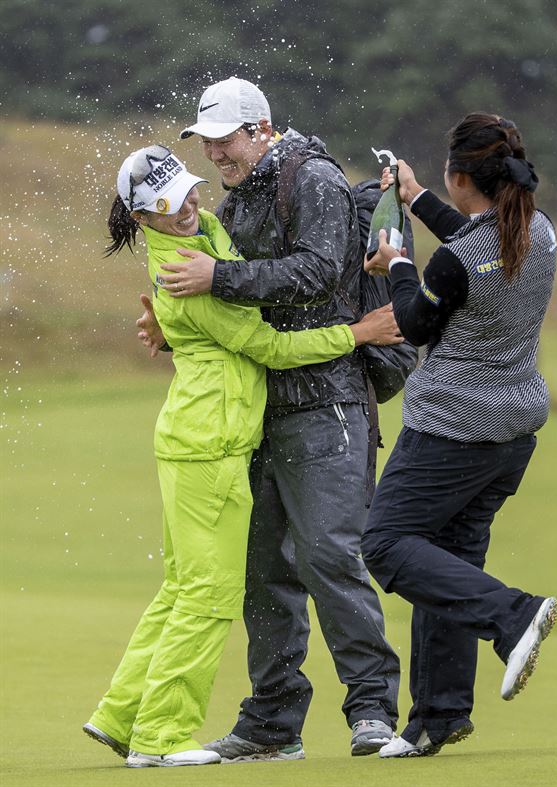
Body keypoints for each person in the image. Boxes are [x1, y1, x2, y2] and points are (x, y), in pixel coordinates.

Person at [83, 145, 402, 768]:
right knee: (209, 593)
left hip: (204, 438)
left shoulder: (204, 234)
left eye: (191, 191)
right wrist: (358, 334)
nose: (193, 205)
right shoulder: (184, 270)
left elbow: (234, 269)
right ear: (147, 216)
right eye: (175, 204)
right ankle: (160, 736)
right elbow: (267, 348)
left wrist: (169, 327)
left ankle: (121, 715)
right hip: (210, 443)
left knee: (181, 587)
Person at [360, 112, 557, 758]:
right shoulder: (538, 231)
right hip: (510, 437)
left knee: (387, 544)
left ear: (461, 175)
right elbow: (466, 249)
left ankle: (513, 615)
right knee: (448, 559)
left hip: (451, 432)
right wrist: (417, 199)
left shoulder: (458, 261)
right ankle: (437, 716)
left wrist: (393, 263)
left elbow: (415, 323)